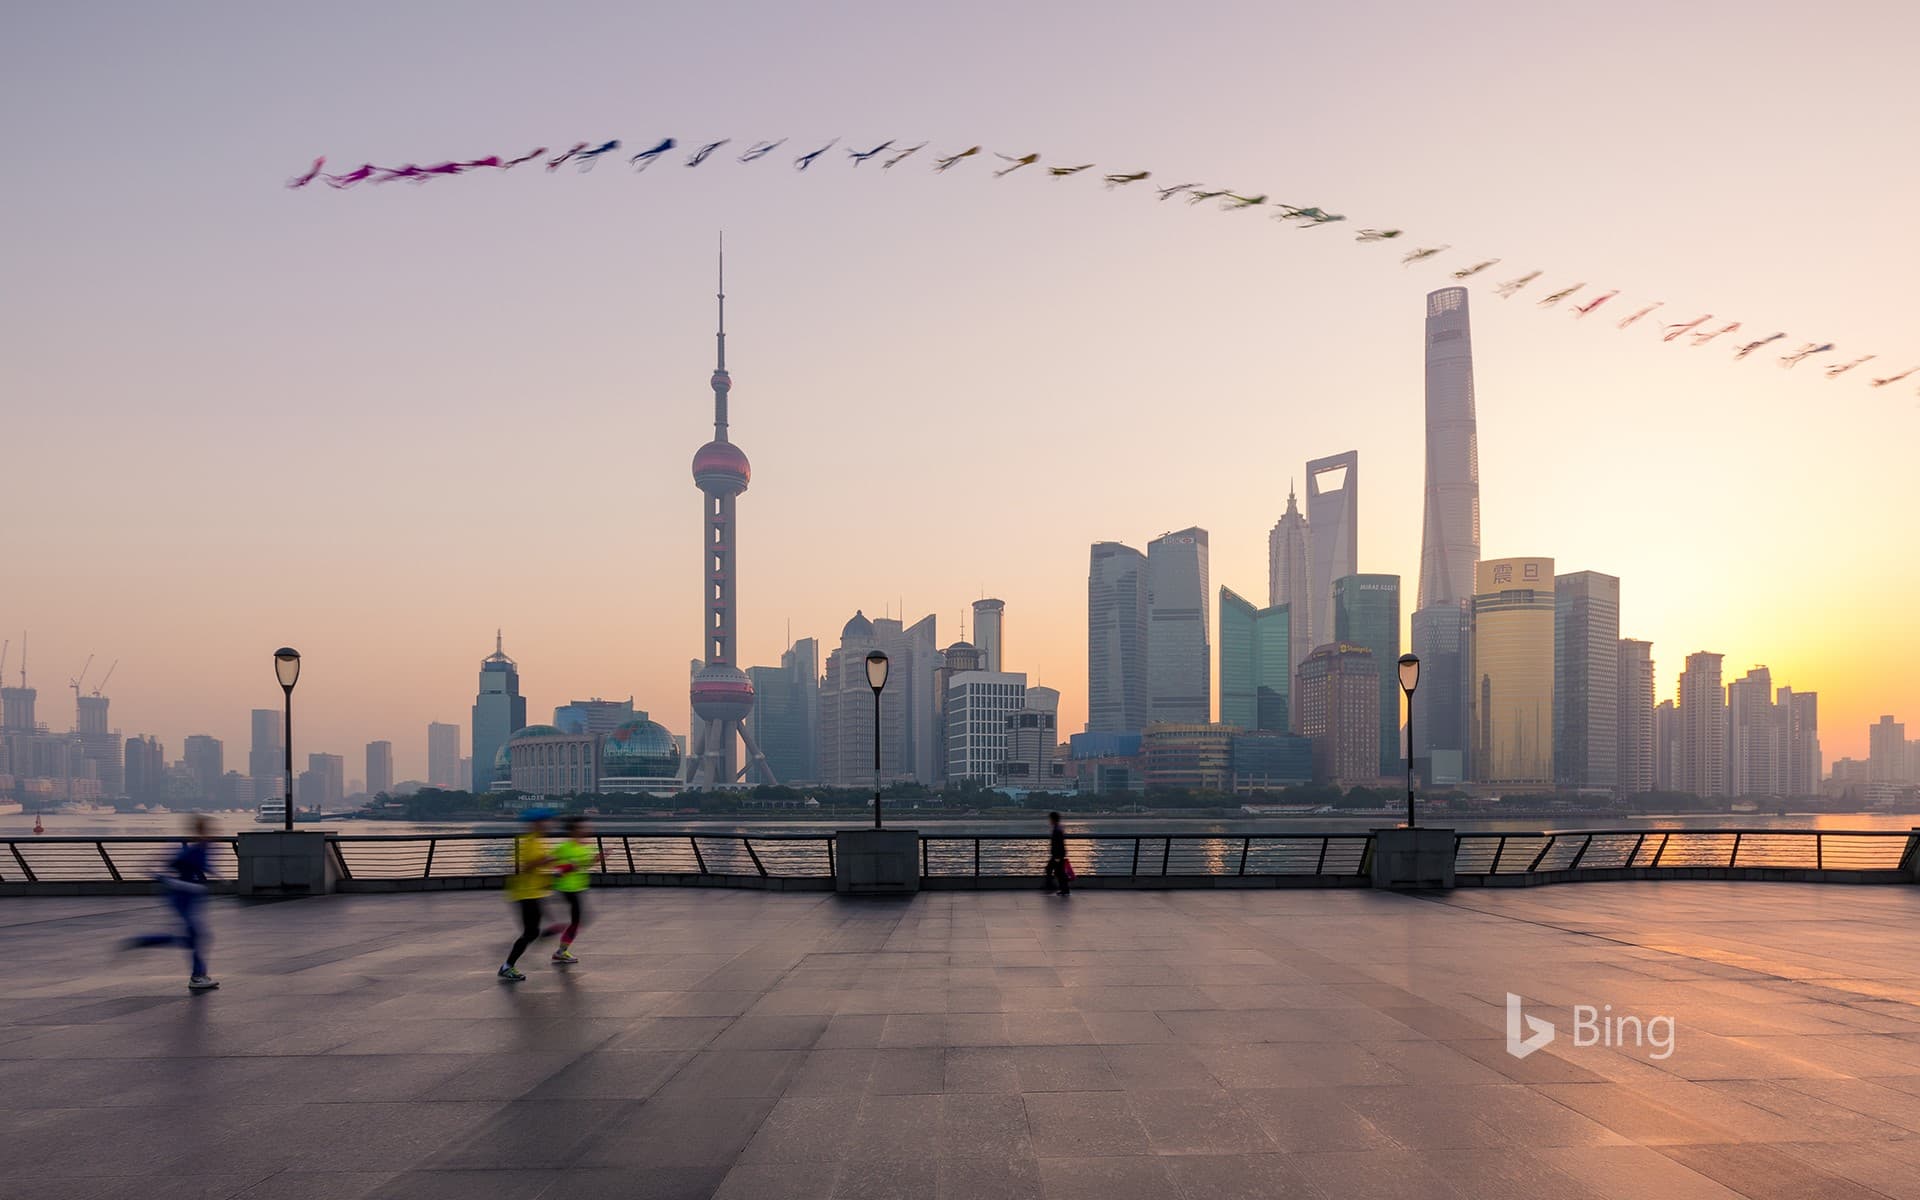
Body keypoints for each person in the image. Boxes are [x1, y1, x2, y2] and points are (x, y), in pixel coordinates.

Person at [123, 814, 219, 991]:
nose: (212, 833)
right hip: (182, 898)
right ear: (201, 830)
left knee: (195, 938)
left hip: (190, 898)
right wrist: (163, 877)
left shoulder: (202, 847)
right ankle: (197, 976)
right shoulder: (192, 850)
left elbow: (199, 869)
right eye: (208, 829)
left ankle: (197, 974)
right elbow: (170, 868)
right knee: (196, 937)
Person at [498, 811, 557, 983]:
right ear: (536, 824)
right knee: (531, 931)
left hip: (535, 892)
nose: (548, 825)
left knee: (534, 930)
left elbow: (540, 865)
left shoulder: (538, 841)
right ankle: (507, 966)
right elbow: (525, 867)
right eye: (545, 822)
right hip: (524, 893)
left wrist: (551, 869)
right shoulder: (526, 842)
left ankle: (509, 963)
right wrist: (545, 860)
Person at [545, 816, 602, 964]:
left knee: (578, 921)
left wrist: (596, 859)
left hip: (579, 887)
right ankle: (559, 948)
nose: (587, 830)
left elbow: (585, 864)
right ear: (574, 830)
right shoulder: (564, 847)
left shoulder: (589, 847)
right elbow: (550, 863)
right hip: (567, 888)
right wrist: (563, 868)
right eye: (583, 828)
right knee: (577, 921)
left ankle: (559, 943)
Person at [1044, 811, 1071, 898]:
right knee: (1059, 872)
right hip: (1058, 854)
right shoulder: (1058, 828)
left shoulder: (1057, 830)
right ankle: (1063, 889)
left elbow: (1058, 844)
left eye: (1050, 819)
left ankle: (1053, 886)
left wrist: (1058, 856)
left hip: (1057, 855)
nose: (1049, 821)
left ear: (1053, 819)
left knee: (1053, 870)